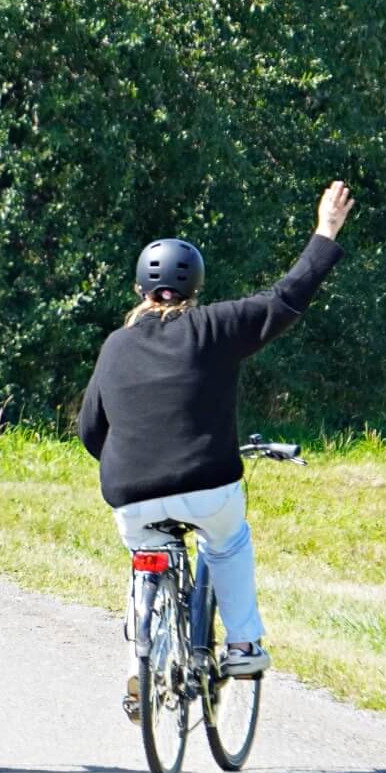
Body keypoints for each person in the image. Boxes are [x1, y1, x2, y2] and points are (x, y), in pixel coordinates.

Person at [78, 181, 354, 706]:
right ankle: (244, 644)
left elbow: (91, 430)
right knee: (227, 541)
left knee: (145, 553)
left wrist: (131, 462)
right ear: (195, 289)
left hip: (129, 493)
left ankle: (141, 661)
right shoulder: (215, 326)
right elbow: (285, 298)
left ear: (139, 289)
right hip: (207, 484)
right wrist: (326, 230)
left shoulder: (115, 346)